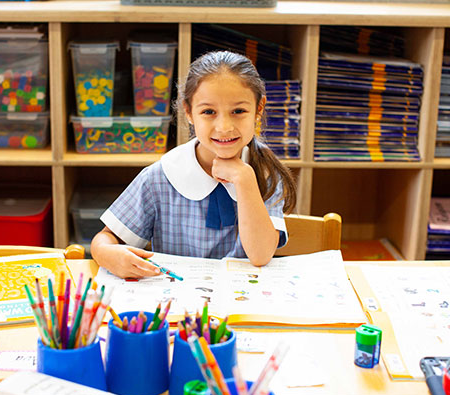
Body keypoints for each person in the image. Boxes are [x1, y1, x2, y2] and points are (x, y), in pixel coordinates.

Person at [91, 50, 297, 278]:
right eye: (209, 112)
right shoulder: (161, 176)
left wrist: (244, 179)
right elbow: (106, 238)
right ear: (188, 111)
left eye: (238, 111)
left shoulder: (264, 171)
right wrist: (105, 253)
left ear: (259, 109)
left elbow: (260, 255)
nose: (224, 127)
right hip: (177, 307)